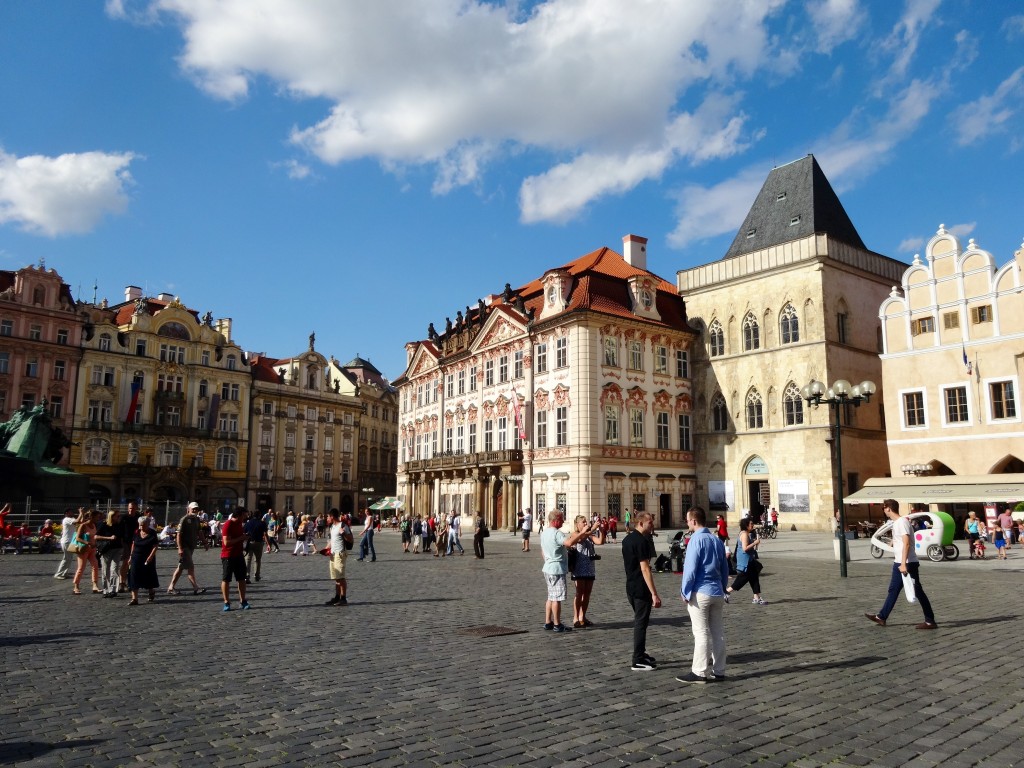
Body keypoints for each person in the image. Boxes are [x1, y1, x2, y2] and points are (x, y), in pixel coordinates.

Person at [865, 498, 937, 630]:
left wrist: (903, 564)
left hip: (907, 563)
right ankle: (881, 617)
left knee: (918, 591)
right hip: (899, 562)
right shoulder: (898, 522)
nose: (884, 510)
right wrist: (893, 542)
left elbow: (907, 543)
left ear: (888, 508)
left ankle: (930, 620)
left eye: (884, 508)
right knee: (893, 590)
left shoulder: (901, 522)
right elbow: (902, 539)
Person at [678, 506, 729, 683]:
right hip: (716, 592)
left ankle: (699, 672)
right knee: (717, 632)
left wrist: (685, 591)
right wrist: (723, 587)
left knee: (700, 633)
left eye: (687, 520)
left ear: (693, 521)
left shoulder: (695, 540)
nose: (687, 523)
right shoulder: (716, 540)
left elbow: (690, 569)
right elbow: (724, 568)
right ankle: (719, 670)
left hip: (700, 592)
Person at [540, 509, 593, 633]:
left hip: (547, 567)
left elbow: (542, 551)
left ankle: (548, 622)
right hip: (556, 569)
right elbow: (569, 543)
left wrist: (548, 560)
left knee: (550, 597)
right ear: (555, 521)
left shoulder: (544, 533)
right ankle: (557, 624)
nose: (563, 521)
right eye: (562, 519)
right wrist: (582, 533)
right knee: (556, 597)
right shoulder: (556, 533)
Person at [621, 511, 661, 670]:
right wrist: (654, 593)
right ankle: (637, 659)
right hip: (640, 587)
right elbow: (645, 569)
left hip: (630, 585)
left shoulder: (627, 539)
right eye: (650, 522)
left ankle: (641, 653)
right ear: (641, 523)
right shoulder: (642, 542)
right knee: (641, 623)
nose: (652, 525)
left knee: (641, 622)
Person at [168, 502, 207, 596]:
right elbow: (178, 534)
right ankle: (195, 588)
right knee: (190, 567)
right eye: (193, 509)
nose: (195, 511)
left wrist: (205, 542)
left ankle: (171, 587)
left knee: (180, 568)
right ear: (188, 509)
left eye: (196, 509)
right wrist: (180, 548)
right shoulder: (184, 519)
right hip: (185, 547)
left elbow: (199, 532)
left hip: (191, 546)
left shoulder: (197, 519)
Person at [726, 518, 765, 604]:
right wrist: (755, 543)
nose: (752, 525)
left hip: (749, 559)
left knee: (754, 577)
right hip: (745, 561)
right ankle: (726, 592)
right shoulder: (744, 534)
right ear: (746, 525)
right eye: (751, 524)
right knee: (743, 579)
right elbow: (745, 548)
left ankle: (756, 597)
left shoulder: (746, 534)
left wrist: (755, 544)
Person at [570, 514, 599, 628]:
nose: (586, 524)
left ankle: (583, 616)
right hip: (579, 567)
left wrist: (601, 530)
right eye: (584, 522)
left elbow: (600, 541)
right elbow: (580, 538)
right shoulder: (575, 534)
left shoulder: (589, 535)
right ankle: (576, 617)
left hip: (589, 567)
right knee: (579, 593)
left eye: (586, 522)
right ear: (577, 524)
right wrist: (592, 529)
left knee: (587, 593)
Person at [220, 508, 250, 611]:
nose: (246, 517)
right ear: (239, 515)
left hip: (239, 555)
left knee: (241, 578)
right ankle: (226, 602)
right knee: (226, 579)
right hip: (228, 555)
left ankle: (243, 601)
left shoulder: (239, 525)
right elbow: (226, 543)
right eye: (245, 515)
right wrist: (241, 538)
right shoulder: (228, 524)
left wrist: (244, 539)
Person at [320, 508, 352, 606]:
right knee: (336, 577)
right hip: (333, 554)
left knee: (341, 577)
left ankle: (343, 598)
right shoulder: (332, 527)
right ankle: (337, 597)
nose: (327, 519)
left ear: (332, 516)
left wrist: (344, 533)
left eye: (328, 517)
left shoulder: (343, 526)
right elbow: (332, 541)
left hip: (340, 554)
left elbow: (350, 539)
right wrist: (326, 549)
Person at [127, 517, 159, 605]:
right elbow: (133, 544)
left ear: (148, 524)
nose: (141, 527)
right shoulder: (137, 532)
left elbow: (155, 546)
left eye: (143, 525)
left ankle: (151, 590)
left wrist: (150, 557)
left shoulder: (152, 533)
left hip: (148, 557)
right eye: (140, 525)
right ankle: (134, 599)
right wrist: (130, 556)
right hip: (136, 556)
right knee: (134, 576)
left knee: (148, 575)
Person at [72, 509, 101, 595]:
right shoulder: (83, 525)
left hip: (92, 549)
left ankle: (95, 585)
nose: (98, 518)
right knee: (81, 568)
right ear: (91, 517)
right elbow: (78, 538)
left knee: (95, 566)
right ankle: (76, 586)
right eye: (97, 517)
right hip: (83, 549)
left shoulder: (94, 525)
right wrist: (87, 543)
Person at [96, 510, 123, 598]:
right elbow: (96, 536)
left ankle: (113, 590)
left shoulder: (119, 525)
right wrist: (109, 538)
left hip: (117, 549)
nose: (119, 518)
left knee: (114, 569)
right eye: (117, 516)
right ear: (112, 516)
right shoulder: (104, 525)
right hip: (106, 549)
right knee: (105, 570)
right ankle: (106, 590)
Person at [118, 502, 140, 591]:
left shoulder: (138, 518)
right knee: (126, 562)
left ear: (136, 509)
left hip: (135, 542)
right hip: (125, 542)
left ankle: (129, 582)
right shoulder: (124, 518)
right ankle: (121, 582)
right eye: (130, 508)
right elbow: (119, 530)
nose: (131, 510)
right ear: (128, 508)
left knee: (133, 564)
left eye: (133, 508)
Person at [53, 508, 79, 579]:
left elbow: (79, 522)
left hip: (72, 540)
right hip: (66, 541)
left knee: (69, 558)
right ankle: (59, 574)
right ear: (66, 513)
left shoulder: (72, 518)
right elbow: (77, 521)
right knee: (66, 558)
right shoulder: (66, 519)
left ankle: (64, 573)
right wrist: (81, 513)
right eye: (70, 512)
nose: (72, 513)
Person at [243, 510, 268, 583]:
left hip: (249, 542)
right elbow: (265, 534)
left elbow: (244, 532)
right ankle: (257, 575)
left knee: (248, 559)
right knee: (257, 560)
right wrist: (268, 544)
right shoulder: (262, 523)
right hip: (259, 542)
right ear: (259, 515)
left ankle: (247, 576)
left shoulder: (248, 523)